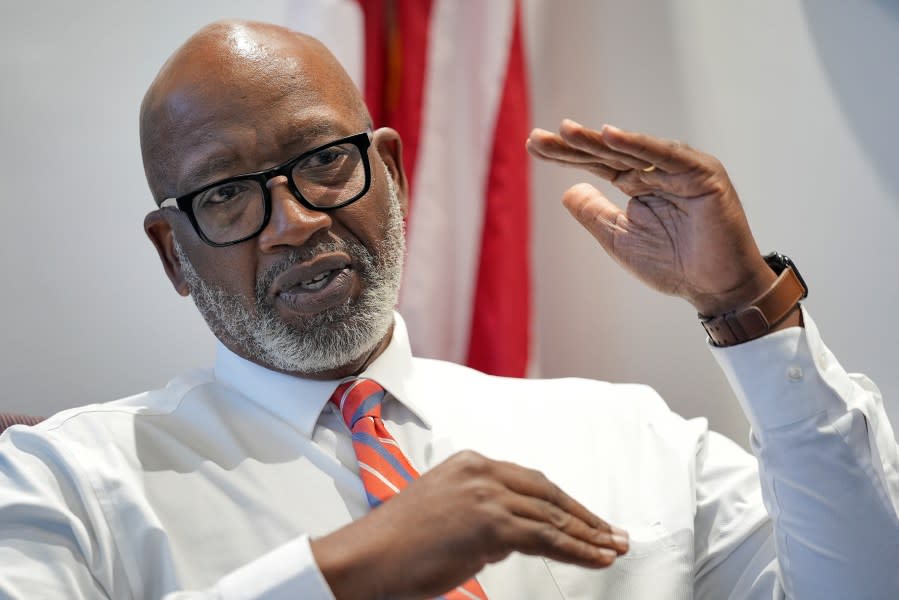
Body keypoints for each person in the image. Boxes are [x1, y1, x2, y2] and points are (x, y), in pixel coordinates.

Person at [0, 19, 897, 600]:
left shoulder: (632, 437)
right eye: (227, 196)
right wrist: (344, 573)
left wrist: (745, 305)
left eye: (322, 162)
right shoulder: (63, 481)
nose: (295, 221)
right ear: (173, 253)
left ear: (388, 171)